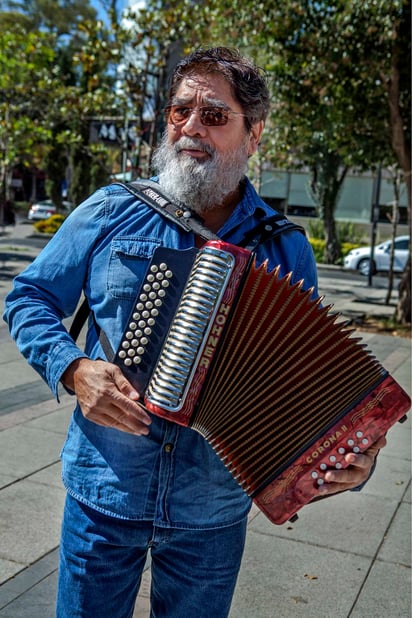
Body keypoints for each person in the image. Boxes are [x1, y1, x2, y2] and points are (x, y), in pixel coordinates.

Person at [3, 47, 385, 618]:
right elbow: (28, 297)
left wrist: (349, 458)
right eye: (181, 111)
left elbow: (300, 383)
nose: (191, 128)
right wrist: (73, 367)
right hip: (104, 493)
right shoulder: (112, 209)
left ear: (253, 135)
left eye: (214, 116)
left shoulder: (286, 246)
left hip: (211, 514)